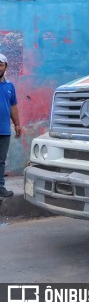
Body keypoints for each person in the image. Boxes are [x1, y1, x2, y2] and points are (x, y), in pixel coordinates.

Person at [0, 53, 21, 198]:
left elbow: (13, 106)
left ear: (5, 66)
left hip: (4, 130)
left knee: (0, 161)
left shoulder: (9, 86)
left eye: (0, 64)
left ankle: (0, 187)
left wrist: (17, 124)